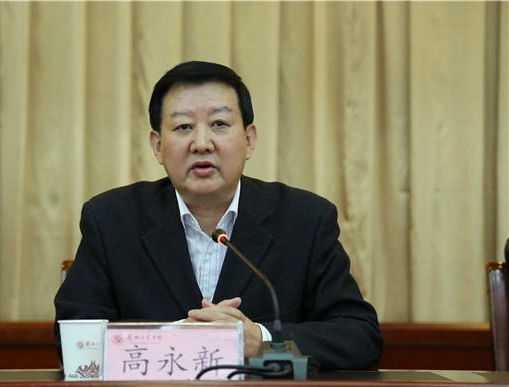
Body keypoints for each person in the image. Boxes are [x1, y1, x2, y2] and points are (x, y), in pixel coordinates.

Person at [54, 61, 383, 370]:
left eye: (219, 124)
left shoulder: (305, 220)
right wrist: (173, 338)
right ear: (157, 146)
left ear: (249, 141)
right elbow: (75, 341)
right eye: (183, 126)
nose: (201, 143)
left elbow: (360, 336)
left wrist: (263, 341)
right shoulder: (111, 220)